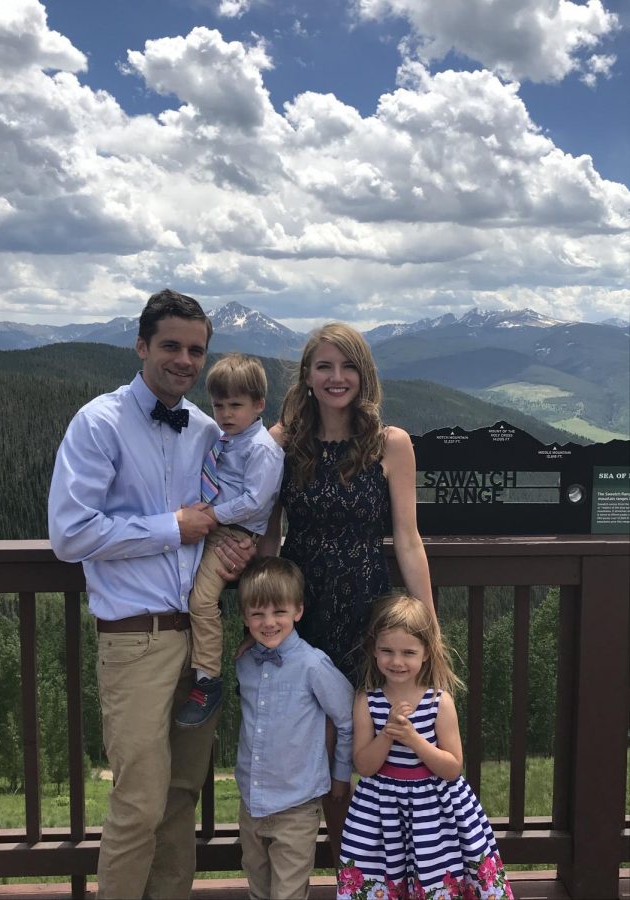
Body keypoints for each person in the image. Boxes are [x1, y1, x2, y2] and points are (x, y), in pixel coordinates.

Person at [48, 289, 255, 900]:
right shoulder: (99, 422)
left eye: (196, 349)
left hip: (201, 639)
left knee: (181, 796)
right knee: (138, 800)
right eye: (171, 345)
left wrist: (235, 548)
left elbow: (230, 508)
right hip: (134, 639)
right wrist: (174, 527)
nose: (185, 360)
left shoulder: (209, 430)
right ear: (142, 346)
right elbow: (70, 533)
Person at [258, 321, 435, 857]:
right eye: (325, 366)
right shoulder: (281, 441)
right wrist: (259, 617)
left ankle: (364, 869)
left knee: (365, 742)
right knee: (313, 742)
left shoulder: (390, 444)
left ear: (364, 374)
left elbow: (407, 540)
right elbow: (266, 537)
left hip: (367, 612)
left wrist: (428, 624)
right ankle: (332, 868)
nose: (337, 377)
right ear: (307, 377)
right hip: (299, 613)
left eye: (348, 365)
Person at [337, 593, 512, 900]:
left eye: (408, 652)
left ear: (426, 652)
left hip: (436, 813)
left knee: (435, 876)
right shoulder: (367, 700)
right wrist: (388, 734)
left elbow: (451, 767)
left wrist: (414, 739)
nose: (397, 661)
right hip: (381, 813)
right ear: (374, 650)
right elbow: (364, 766)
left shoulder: (438, 701)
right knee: (385, 876)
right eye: (387, 650)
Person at [235, 557, 354, 900]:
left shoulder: (313, 665)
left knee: (287, 894)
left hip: (296, 806)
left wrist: (340, 775)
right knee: (258, 890)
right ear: (245, 618)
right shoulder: (244, 662)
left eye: (279, 612)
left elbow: (346, 719)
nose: (268, 622)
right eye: (257, 614)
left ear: (298, 611)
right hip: (251, 803)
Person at [175, 353, 284, 727]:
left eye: (236, 405)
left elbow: (256, 501)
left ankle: (208, 678)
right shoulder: (228, 441)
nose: (225, 413)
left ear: (259, 405)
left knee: (202, 599)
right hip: (215, 525)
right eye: (219, 405)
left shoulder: (262, 450)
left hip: (233, 533)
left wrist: (212, 515)